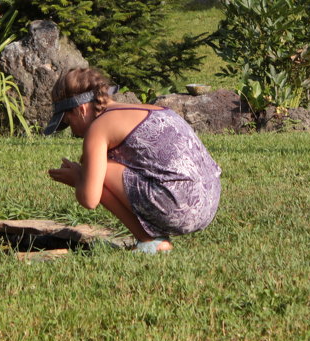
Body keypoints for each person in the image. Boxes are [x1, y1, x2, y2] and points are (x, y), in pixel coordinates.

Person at [45, 67, 221, 253]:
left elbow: (90, 200)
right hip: (209, 203)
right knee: (96, 168)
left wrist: (78, 178)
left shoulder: (99, 127)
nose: (72, 131)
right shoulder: (153, 109)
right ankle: (151, 240)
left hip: (180, 208)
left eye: (68, 121)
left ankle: (149, 241)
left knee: (97, 172)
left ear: (81, 109)